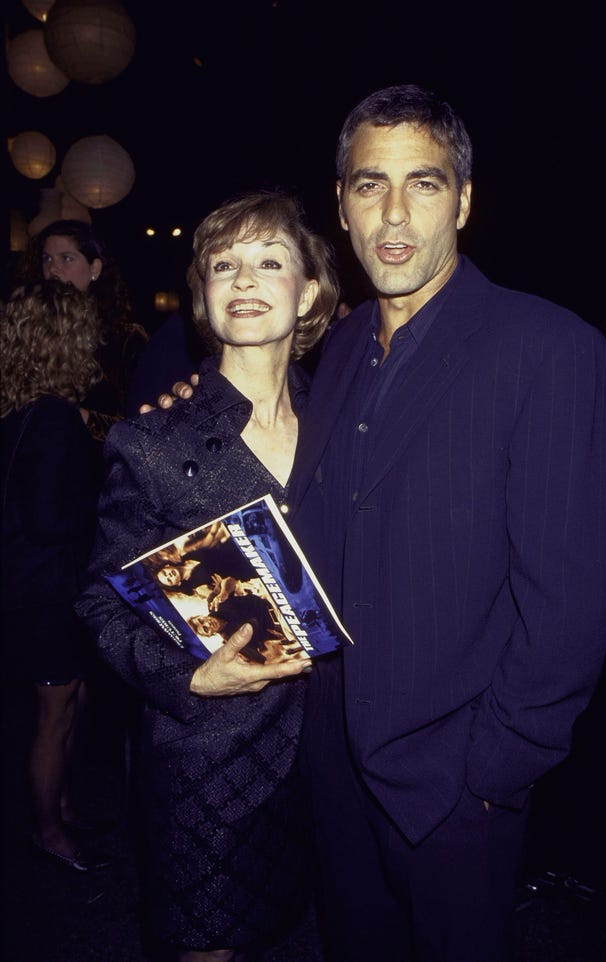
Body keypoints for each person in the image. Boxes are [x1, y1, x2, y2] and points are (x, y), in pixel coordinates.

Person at [160, 85, 606, 962]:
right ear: (342, 205)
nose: (396, 213)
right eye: (371, 185)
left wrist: (492, 774)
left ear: (465, 200)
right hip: (331, 774)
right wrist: (193, 409)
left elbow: (568, 606)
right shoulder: (337, 351)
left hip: (455, 790)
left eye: (426, 182)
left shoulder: (548, 349)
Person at [75, 191, 339, 962]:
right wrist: (187, 678)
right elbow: (98, 600)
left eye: (270, 261)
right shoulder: (153, 440)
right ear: (204, 296)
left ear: (309, 293)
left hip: (332, 750)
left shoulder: (348, 425)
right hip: (211, 758)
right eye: (224, 265)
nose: (245, 279)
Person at [0, 280, 106, 872]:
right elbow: (47, 520)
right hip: (44, 589)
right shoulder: (55, 418)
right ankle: (48, 829)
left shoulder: (17, 412)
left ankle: (59, 807)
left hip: (27, 586)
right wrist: (101, 506)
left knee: (65, 703)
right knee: (55, 712)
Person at [14, 219, 149, 443]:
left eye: (66, 258)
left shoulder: (125, 339)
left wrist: (78, 417)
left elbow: (145, 427)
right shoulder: (30, 331)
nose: (53, 269)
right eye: (47, 259)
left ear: (94, 269)